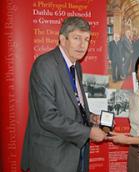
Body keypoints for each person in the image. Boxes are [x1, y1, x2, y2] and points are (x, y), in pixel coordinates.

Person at [21, 17, 107, 172]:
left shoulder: (76, 67)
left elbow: (74, 105)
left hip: (76, 153)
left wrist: (90, 117)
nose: (83, 45)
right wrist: (88, 132)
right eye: (77, 38)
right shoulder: (45, 65)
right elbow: (48, 116)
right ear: (62, 39)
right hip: (52, 158)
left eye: (86, 39)